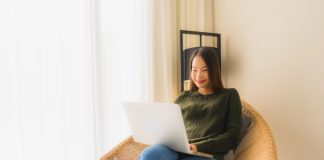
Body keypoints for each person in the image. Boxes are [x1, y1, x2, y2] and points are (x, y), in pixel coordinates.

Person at [139, 47, 242, 160]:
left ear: (214, 70)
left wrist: (197, 146)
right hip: (175, 148)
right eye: (194, 70)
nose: (198, 76)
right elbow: (171, 128)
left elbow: (233, 137)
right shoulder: (183, 97)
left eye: (204, 70)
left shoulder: (229, 95)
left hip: (204, 154)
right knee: (148, 155)